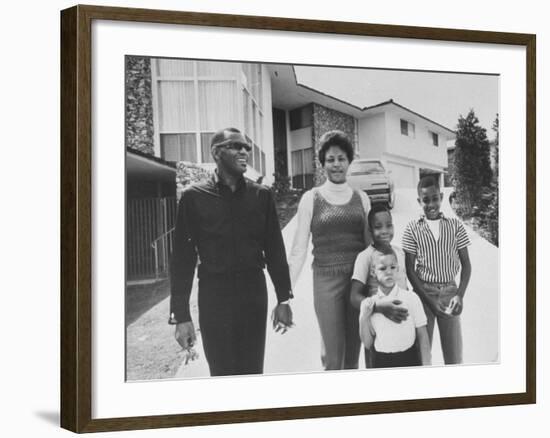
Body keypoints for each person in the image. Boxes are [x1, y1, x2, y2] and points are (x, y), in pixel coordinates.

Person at [169, 127, 293, 376]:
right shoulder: (194, 198)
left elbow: (275, 250)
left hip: (253, 295)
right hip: (215, 298)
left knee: (252, 371)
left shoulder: (262, 196)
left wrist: (283, 298)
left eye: (246, 147)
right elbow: (182, 259)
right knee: (222, 373)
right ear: (216, 153)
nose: (244, 151)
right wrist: (181, 316)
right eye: (236, 146)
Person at [288, 130, 370, 370]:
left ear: (349, 161)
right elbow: (298, 250)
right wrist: (285, 293)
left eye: (341, 158)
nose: (336, 164)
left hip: (357, 281)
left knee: (354, 355)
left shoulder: (361, 198)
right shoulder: (311, 198)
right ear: (322, 163)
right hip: (325, 282)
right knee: (333, 358)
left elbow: (370, 247)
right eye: (331, 159)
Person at [402, 175, 472, 364]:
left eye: (434, 198)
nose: (431, 204)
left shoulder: (455, 226)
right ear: (419, 201)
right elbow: (409, 269)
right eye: (426, 200)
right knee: (423, 355)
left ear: (441, 197)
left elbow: (466, 265)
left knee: (454, 356)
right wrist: (428, 300)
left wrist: (459, 295)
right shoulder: (412, 229)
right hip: (424, 294)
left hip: (450, 292)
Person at [349, 204, 410, 367]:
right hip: (377, 328)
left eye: (389, 225)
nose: (384, 231)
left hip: (401, 326)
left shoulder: (400, 253)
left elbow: (406, 288)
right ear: (370, 231)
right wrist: (379, 306)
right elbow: (354, 297)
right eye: (378, 227)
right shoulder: (365, 257)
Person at [358, 247, 431, 368]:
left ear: (398, 269)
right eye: (382, 268)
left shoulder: (411, 298)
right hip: (381, 362)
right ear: (373, 271)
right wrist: (363, 317)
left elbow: (423, 337)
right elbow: (368, 343)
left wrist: (427, 367)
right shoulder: (371, 304)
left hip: (409, 359)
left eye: (392, 267)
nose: (388, 272)